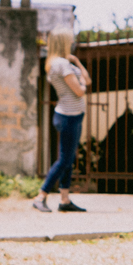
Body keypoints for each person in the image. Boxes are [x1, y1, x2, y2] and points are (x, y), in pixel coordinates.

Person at [36, 32, 87, 212]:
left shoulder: (56, 63)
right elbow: (79, 91)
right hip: (69, 116)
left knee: (68, 159)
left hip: (69, 115)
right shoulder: (62, 64)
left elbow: (83, 82)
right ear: (63, 42)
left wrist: (79, 68)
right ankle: (41, 196)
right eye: (70, 40)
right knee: (64, 159)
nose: (72, 42)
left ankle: (64, 200)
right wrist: (82, 84)